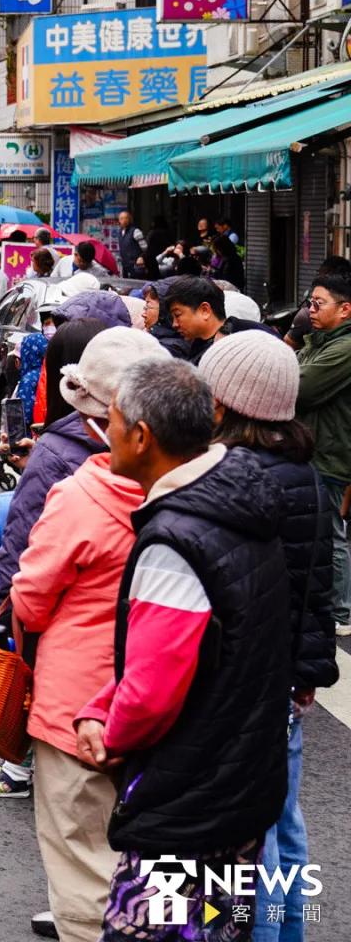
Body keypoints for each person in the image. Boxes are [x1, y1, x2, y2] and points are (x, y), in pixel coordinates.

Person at [80, 358, 289, 942]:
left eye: (112, 418)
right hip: (241, 784)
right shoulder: (241, 498)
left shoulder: (176, 540)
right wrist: (104, 702)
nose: (105, 429)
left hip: (187, 799)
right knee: (223, 927)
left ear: (141, 437)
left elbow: (151, 691)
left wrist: (111, 731)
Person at [8, 333, 150, 940]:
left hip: (77, 699)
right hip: (164, 697)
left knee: (83, 860)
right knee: (151, 866)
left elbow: (29, 594)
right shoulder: (198, 491)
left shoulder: (84, 493)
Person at [202, 332, 340, 942]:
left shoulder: (240, 479)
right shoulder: (305, 473)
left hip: (247, 683)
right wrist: (307, 673)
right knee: (284, 822)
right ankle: (289, 932)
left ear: (229, 402)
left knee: (248, 837)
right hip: (286, 679)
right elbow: (315, 587)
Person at [295, 274, 351, 638]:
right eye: (310, 303)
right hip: (316, 446)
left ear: (345, 309)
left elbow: (301, 386)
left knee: (332, 532)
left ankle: (342, 612)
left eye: (318, 304)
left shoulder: (345, 347)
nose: (310, 310)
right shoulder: (320, 341)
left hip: (330, 452)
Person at [162, 275, 227, 363]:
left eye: (177, 315)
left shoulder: (223, 355)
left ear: (205, 310)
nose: (174, 324)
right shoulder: (199, 345)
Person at [115, 210, 147, 279]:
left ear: (130, 220)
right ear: (119, 221)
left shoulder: (136, 231)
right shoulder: (120, 232)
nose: (124, 220)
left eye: (126, 218)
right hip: (125, 266)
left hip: (136, 266)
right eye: (121, 218)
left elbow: (145, 248)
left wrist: (141, 257)